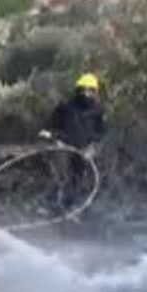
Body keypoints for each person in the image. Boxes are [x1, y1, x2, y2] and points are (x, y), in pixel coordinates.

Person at [40, 73, 108, 211]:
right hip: (64, 146)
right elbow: (50, 127)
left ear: (95, 92)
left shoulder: (98, 111)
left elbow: (102, 134)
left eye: (89, 90)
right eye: (83, 89)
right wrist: (53, 138)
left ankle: (70, 206)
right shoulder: (65, 106)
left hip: (84, 150)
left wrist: (92, 149)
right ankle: (50, 204)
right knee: (61, 177)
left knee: (77, 178)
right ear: (78, 90)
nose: (85, 93)